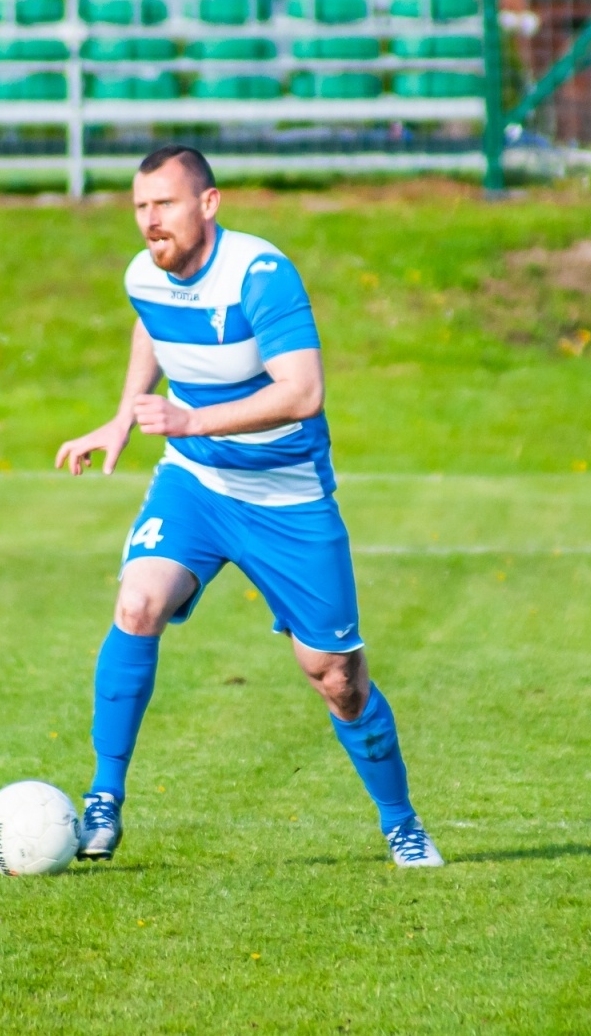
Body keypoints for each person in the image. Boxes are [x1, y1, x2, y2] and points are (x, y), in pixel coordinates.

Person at [55, 145, 443, 869]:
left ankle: (402, 822)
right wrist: (122, 417)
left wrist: (191, 420)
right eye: (140, 207)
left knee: (335, 675)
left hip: (288, 499)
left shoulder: (260, 275)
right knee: (137, 604)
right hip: (196, 485)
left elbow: (303, 392)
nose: (150, 222)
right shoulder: (146, 274)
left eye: (164, 204)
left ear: (208, 204)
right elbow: (153, 322)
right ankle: (104, 801)